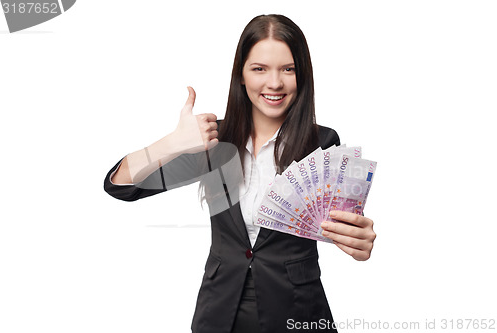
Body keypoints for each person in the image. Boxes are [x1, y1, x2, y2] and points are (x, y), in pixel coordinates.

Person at [104, 14, 376, 333]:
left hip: (297, 311)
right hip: (220, 311)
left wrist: (360, 239)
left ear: (302, 76)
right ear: (241, 76)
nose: (274, 83)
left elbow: (339, 224)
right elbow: (122, 186)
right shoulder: (212, 140)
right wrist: (172, 143)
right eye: (259, 68)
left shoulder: (322, 143)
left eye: (288, 69)